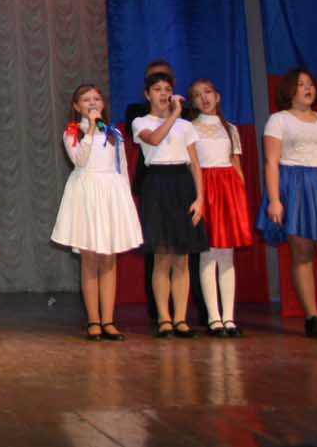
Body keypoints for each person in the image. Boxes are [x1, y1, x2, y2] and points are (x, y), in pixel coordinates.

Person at [257, 68, 317, 340]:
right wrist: (275, 200)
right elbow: (272, 162)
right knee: (302, 253)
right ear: (290, 90)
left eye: (310, 84)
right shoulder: (278, 120)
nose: (308, 88)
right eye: (301, 84)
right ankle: (312, 318)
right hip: (295, 186)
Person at [51, 84, 142, 341]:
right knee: (90, 258)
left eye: (96, 98)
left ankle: (108, 320)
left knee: (109, 258)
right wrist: (90, 129)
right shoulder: (72, 132)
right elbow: (79, 160)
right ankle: (93, 320)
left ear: (103, 104)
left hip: (111, 195)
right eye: (86, 99)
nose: (92, 103)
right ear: (76, 106)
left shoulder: (114, 133)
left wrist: (125, 202)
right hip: (87, 194)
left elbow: (122, 168)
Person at [132, 72, 209, 339]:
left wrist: (200, 198)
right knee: (162, 257)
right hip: (157, 183)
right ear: (147, 94)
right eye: (157, 89)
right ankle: (164, 317)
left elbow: (195, 164)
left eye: (167, 89)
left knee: (182, 258)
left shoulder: (186, 126)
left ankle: (181, 318)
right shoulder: (141, 121)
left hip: (182, 184)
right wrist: (174, 114)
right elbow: (154, 139)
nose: (163, 94)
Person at [188, 79, 252, 338]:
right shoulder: (190, 128)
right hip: (206, 188)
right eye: (197, 95)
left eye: (207, 92)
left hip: (228, 190)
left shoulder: (231, 129)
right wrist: (198, 196)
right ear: (193, 102)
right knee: (208, 253)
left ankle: (229, 317)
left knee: (226, 255)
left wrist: (240, 196)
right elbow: (191, 165)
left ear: (217, 96)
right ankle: (213, 317)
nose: (204, 98)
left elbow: (235, 164)